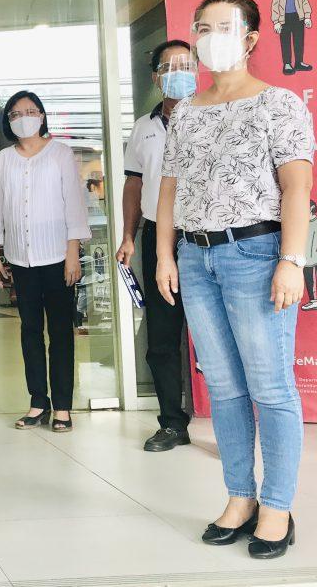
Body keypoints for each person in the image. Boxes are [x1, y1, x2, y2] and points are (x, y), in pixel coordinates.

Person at [156, 0, 314, 560]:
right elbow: (169, 188)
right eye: (203, 26)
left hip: (255, 253)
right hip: (196, 259)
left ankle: (277, 505)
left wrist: (291, 261)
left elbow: (297, 187)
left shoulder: (280, 104)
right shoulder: (187, 113)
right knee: (222, 387)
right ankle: (240, 496)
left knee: (270, 387)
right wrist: (165, 254)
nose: (210, 36)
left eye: (223, 26)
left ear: (250, 37)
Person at [0, 92, 90, 433]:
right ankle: (37, 402)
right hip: (21, 259)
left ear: (43, 117)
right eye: (16, 113)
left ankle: (62, 406)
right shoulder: (3, 159)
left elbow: (73, 204)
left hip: (58, 258)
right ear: (9, 120)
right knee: (29, 332)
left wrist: (73, 252)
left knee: (60, 332)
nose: (24, 118)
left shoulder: (60, 153)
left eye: (31, 111)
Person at [116, 40, 197, 452]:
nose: (178, 72)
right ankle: (172, 422)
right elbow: (134, 184)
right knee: (162, 335)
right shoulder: (144, 128)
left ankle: (235, 422)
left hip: (203, 237)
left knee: (216, 333)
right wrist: (129, 236)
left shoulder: (213, 115)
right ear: (156, 76)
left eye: (186, 64)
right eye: (169, 66)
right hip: (156, 236)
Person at [271, 0, 312, 76]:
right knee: (285, 41)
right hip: (284, 18)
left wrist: (307, 16)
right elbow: (275, 5)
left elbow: (305, 2)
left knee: (299, 40)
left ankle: (299, 62)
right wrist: (276, 22)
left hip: (298, 17)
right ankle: (287, 64)